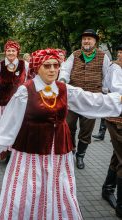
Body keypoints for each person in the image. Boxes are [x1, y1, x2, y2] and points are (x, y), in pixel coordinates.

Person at [0, 48, 122, 220]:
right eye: (47, 66)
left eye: (56, 65)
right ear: (37, 68)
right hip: (31, 150)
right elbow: (10, 122)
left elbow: (91, 100)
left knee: (58, 187)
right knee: (27, 189)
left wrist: (117, 99)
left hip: (58, 150)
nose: (52, 70)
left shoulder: (64, 89)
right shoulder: (25, 91)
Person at [58, 29, 112, 169]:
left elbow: (107, 76)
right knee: (68, 126)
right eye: (84, 39)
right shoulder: (75, 55)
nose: (86, 41)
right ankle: (71, 150)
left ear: (95, 41)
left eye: (89, 39)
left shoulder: (103, 56)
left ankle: (80, 155)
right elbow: (65, 69)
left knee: (86, 130)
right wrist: (63, 80)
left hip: (92, 99)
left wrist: (105, 94)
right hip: (74, 98)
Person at [0, 40, 29, 161]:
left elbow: (30, 82)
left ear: (17, 52)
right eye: (8, 50)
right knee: (1, 128)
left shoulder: (25, 65)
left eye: (13, 50)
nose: (11, 53)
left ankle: (14, 152)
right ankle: (1, 152)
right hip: (1, 104)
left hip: (19, 105)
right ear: (5, 52)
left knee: (17, 127)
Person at [100, 46, 122, 218]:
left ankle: (108, 189)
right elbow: (116, 90)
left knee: (118, 155)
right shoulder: (116, 68)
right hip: (117, 118)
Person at [92, 45, 122, 141]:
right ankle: (105, 134)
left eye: (121, 53)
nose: (119, 54)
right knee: (110, 117)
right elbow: (114, 85)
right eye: (119, 52)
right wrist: (104, 90)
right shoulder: (115, 66)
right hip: (115, 96)